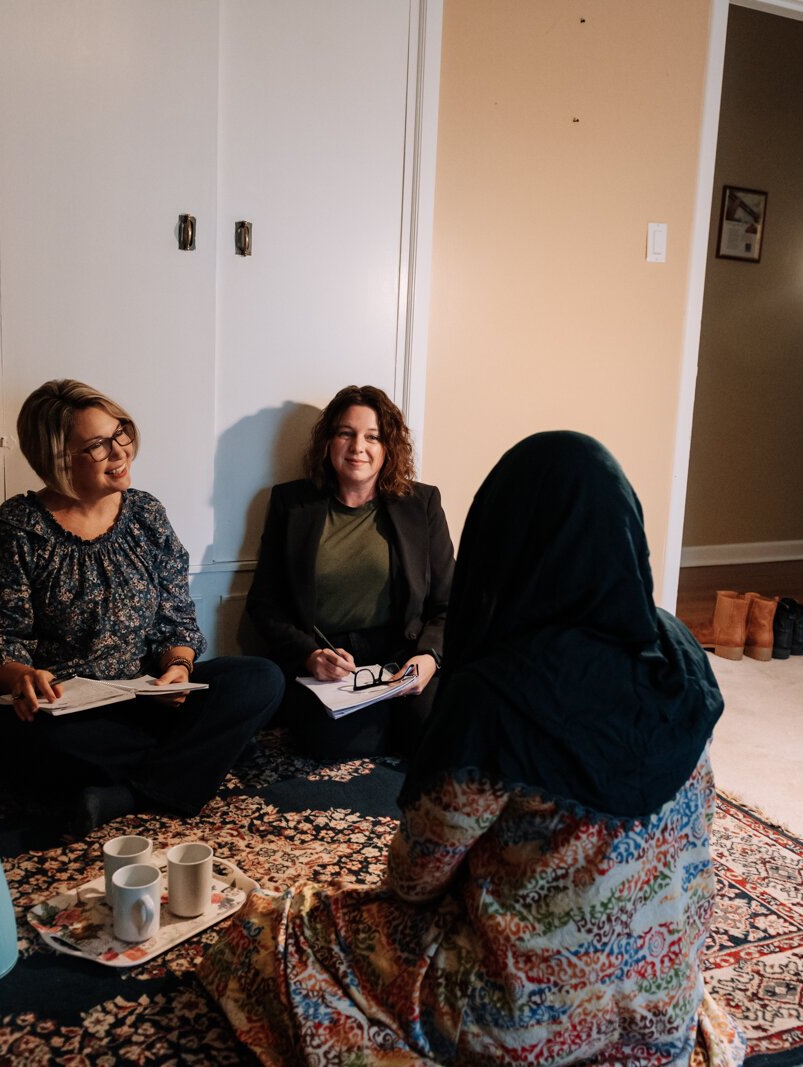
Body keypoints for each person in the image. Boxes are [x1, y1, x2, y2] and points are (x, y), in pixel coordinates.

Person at [201, 431, 746, 1066]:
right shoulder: (678, 655)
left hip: (522, 1020)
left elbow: (413, 880)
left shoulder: (499, 695)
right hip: (661, 1001)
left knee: (274, 935)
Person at [0, 379, 283, 833]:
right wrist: (23, 676)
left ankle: (126, 793)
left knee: (261, 680)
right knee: (12, 737)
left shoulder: (146, 514)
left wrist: (180, 668)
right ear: (58, 459)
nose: (120, 452)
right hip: (63, 713)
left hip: (143, 696)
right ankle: (192, 763)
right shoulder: (21, 527)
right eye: (97, 444)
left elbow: (176, 620)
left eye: (121, 433)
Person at [246, 385, 454, 759]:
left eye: (373, 436)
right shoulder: (291, 504)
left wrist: (429, 657)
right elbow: (264, 604)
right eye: (346, 433)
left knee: (438, 730)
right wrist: (310, 656)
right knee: (336, 746)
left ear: (388, 447)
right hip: (332, 662)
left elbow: (448, 602)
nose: (359, 447)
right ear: (329, 442)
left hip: (401, 656)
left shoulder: (422, 504)